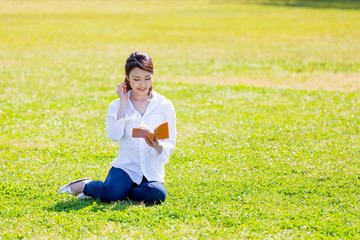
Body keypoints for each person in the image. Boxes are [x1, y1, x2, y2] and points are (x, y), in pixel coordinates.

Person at [58, 52, 176, 204]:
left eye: (147, 78)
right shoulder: (116, 105)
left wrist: (158, 145)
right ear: (127, 77)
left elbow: (171, 143)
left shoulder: (164, 105)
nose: (142, 84)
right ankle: (84, 185)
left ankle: (121, 193)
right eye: (136, 79)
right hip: (125, 168)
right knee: (111, 194)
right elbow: (114, 136)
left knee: (157, 194)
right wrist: (123, 103)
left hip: (150, 171)